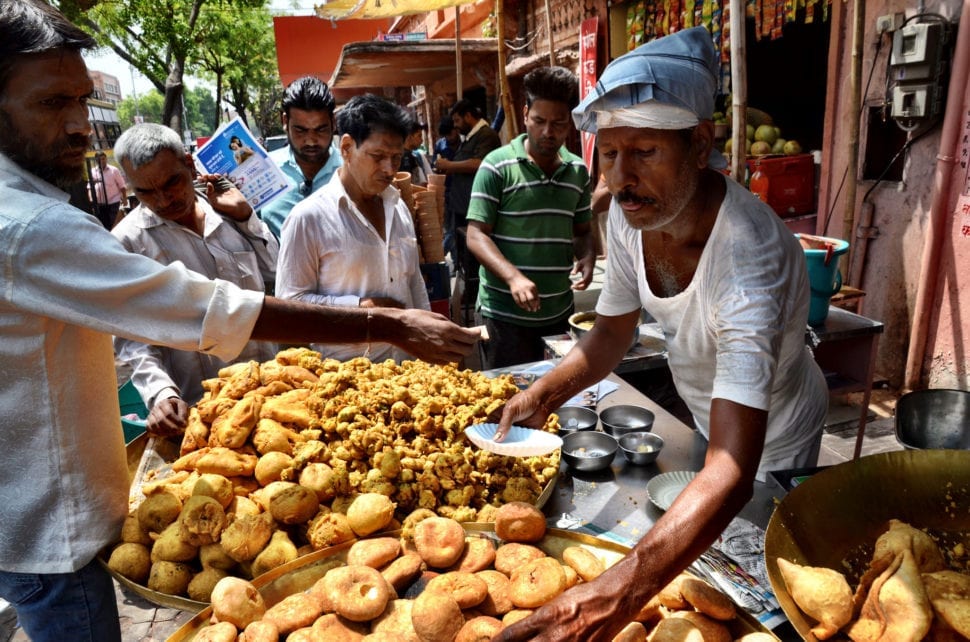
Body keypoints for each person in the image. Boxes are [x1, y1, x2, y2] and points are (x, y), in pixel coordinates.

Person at [0, 3, 480, 640]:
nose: (77, 125)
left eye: (82, 101)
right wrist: (385, 326)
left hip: (242, 401)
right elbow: (179, 314)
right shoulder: (37, 228)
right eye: (51, 102)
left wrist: (250, 222)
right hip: (54, 532)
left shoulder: (222, 213)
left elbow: (257, 278)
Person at [493, 27, 828, 642]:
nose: (622, 178)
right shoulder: (630, 217)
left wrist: (607, 599)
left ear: (700, 145)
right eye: (610, 153)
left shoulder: (747, 257)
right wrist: (539, 396)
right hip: (715, 418)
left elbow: (733, 464)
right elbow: (609, 337)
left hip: (772, 437)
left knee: (766, 587)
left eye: (644, 152)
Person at [111, 123, 280, 436]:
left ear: (188, 165)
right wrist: (162, 393)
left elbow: (275, 273)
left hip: (271, 397)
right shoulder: (127, 243)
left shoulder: (230, 209)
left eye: (171, 182)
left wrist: (246, 218)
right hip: (201, 413)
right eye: (145, 192)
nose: (163, 200)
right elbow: (130, 338)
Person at [277, 94, 432, 363]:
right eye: (378, 156)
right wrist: (362, 309)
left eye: (396, 158)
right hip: (346, 382)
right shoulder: (308, 218)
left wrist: (433, 344)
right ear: (347, 147)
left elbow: (414, 285)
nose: (389, 169)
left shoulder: (398, 209)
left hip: (409, 377)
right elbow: (289, 306)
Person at [466, 66, 595, 369]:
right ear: (525, 114)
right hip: (503, 317)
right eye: (539, 121)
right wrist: (513, 277)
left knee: (558, 404)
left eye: (558, 123)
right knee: (506, 402)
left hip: (559, 314)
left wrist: (588, 255)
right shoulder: (497, 166)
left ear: (570, 123)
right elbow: (475, 234)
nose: (548, 132)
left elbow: (583, 231)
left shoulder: (578, 172)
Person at [259, 75, 341, 238]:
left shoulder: (350, 172)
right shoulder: (263, 169)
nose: (311, 140)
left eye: (320, 129)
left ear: (333, 122)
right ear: (284, 121)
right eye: (300, 130)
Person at [435, 99, 501, 284]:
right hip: (463, 206)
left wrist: (450, 165)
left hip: (475, 207)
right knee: (465, 254)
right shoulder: (471, 137)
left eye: (457, 120)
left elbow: (480, 163)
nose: (455, 126)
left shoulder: (487, 135)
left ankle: (476, 291)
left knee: (475, 254)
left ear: (469, 116)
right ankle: (471, 290)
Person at [87, 150, 128, 228]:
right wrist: (91, 199)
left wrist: (125, 198)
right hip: (100, 202)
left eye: (104, 159)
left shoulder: (114, 170)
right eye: (100, 159)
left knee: (112, 221)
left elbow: (122, 185)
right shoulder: (93, 171)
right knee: (104, 222)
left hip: (114, 200)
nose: (102, 161)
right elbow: (89, 186)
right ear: (96, 160)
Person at [399, 120, 433, 187]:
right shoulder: (402, 156)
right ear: (409, 137)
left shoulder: (414, 156)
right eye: (419, 136)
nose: (421, 140)